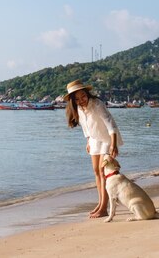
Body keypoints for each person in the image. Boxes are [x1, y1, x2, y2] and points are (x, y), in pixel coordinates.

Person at [64, 79, 124, 218]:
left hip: (108, 139)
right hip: (94, 140)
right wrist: (88, 141)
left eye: (83, 96)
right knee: (96, 171)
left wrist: (113, 144)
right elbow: (86, 128)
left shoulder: (97, 104)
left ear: (87, 93)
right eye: (77, 99)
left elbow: (111, 124)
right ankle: (100, 202)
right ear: (73, 101)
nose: (81, 100)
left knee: (104, 172)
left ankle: (104, 208)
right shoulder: (79, 108)